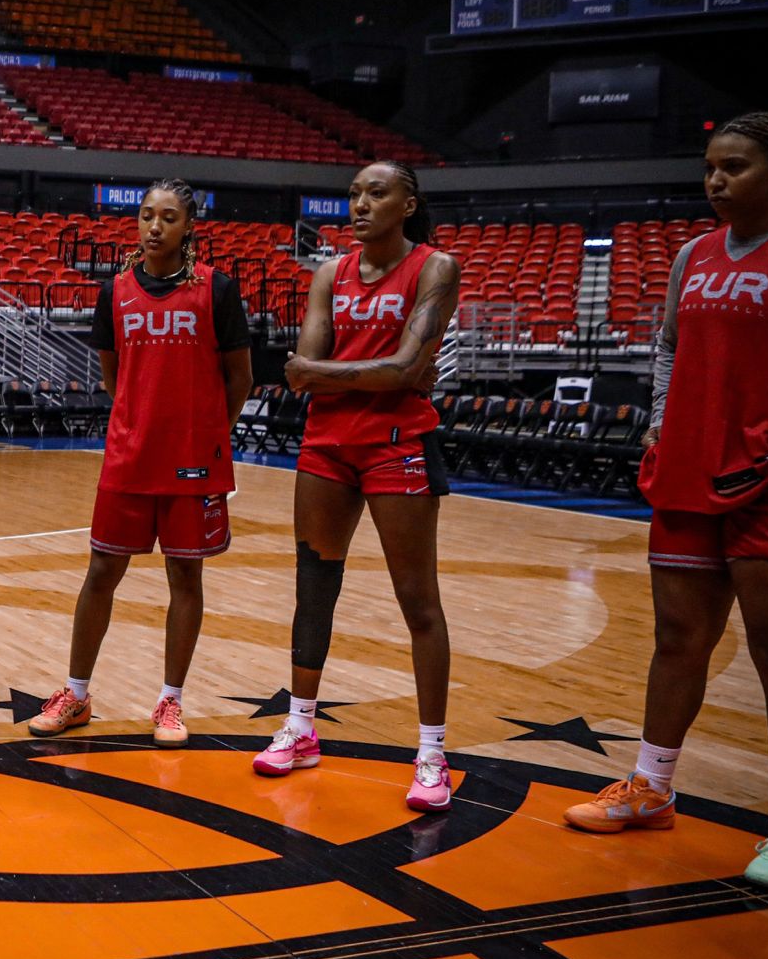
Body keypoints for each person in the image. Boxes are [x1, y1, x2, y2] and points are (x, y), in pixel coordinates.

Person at [563, 112, 768, 893]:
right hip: (694, 469)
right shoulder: (693, 253)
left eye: (733, 166)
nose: (715, 180)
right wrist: (667, 420)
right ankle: (651, 786)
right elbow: (668, 343)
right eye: (709, 166)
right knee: (677, 636)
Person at [262, 160, 460, 811]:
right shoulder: (330, 272)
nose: (360, 204)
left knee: (418, 600)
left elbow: (406, 368)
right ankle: (301, 724)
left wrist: (334, 372)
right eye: (353, 193)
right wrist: (368, 372)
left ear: (408, 202)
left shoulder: (435, 268)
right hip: (326, 443)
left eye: (377, 192)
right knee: (312, 587)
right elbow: (301, 369)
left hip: (398, 442)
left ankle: (432, 753)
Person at [27, 179, 252, 746]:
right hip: (130, 456)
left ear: (188, 227)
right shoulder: (117, 291)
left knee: (185, 575)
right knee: (101, 572)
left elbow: (241, 378)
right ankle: (75, 694)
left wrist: (207, 436)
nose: (155, 226)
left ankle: (170, 702)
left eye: (169, 217)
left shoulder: (217, 290)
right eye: (147, 215)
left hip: (193, 462)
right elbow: (111, 374)